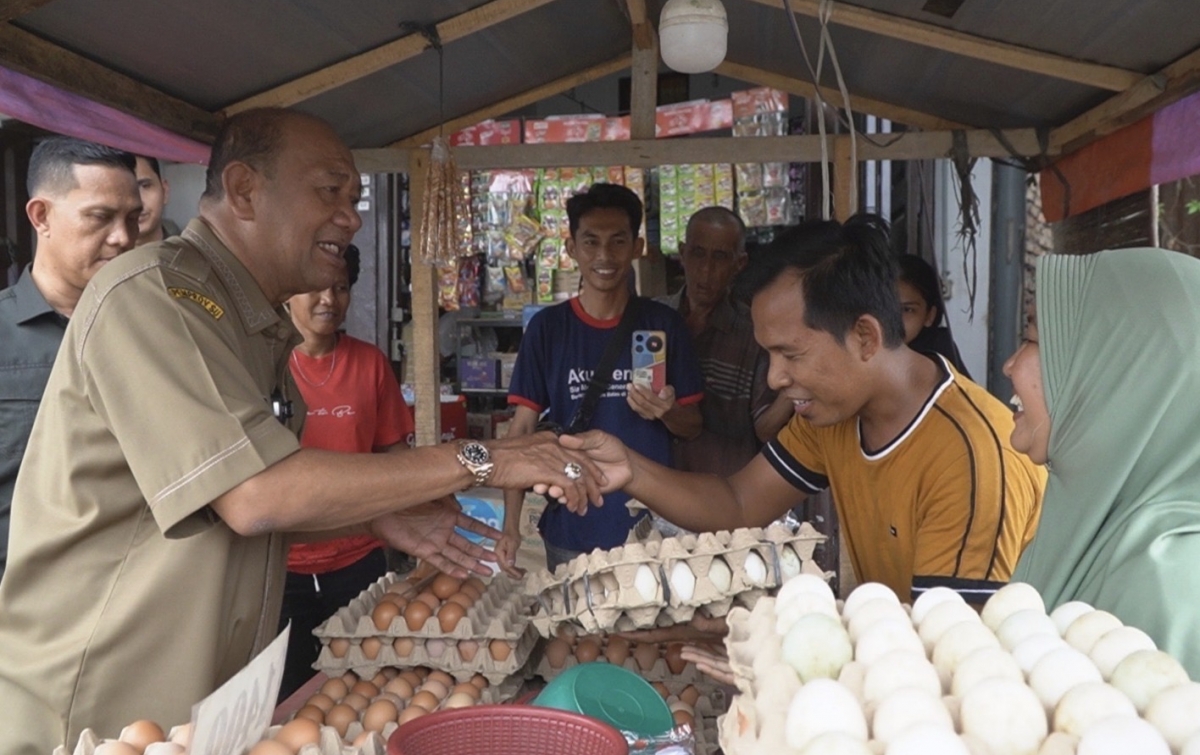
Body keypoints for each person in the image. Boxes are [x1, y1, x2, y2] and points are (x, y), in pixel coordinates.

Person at [0, 108, 604, 754]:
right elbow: (256, 493)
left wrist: (374, 519)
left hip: (186, 712)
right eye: (329, 192)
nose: (350, 216)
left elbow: (222, 503)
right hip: (99, 714)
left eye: (355, 198)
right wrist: (482, 459)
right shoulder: (155, 298)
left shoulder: (252, 324)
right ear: (243, 191)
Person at [564, 213, 1046, 604]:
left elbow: (946, 652)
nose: (774, 377)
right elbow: (739, 502)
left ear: (865, 337)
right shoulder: (832, 414)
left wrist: (785, 632)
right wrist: (631, 470)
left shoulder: (971, 457)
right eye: (769, 355)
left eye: (791, 354)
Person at [1003, 248, 1200, 678]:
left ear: (1123, 379)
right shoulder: (1093, 527)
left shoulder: (1171, 587)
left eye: (1035, 341)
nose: (1010, 364)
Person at [497, 183, 705, 573]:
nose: (605, 256)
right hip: (573, 530)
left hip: (651, 532)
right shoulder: (548, 329)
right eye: (591, 242)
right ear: (571, 248)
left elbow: (693, 426)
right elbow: (520, 431)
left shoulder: (663, 324)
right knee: (575, 635)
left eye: (618, 241)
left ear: (638, 247)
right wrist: (510, 525)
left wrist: (666, 411)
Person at [277, 243, 415, 699]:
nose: (328, 300)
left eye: (340, 288)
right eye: (315, 287)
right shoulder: (260, 367)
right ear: (289, 292)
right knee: (288, 696)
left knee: (364, 690)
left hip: (359, 563)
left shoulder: (370, 363)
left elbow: (394, 456)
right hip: (282, 567)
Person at [0, 137, 141, 583]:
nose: (122, 238)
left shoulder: (154, 334)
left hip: (131, 603)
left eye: (132, 218)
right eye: (100, 217)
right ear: (41, 216)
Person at [658, 207, 792, 477]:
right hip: (655, 494)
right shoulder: (652, 320)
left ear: (739, 264)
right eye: (698, 253)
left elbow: (765, 427)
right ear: (682, 254)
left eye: (720, 257)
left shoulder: (754, 334)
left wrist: (800, 374)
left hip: (725, 500)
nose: (706, 269)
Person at [897, 253, 971, 377]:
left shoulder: (938, 354)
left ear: (930, 316)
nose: (893, 318)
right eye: (885, 307)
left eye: (907, 310)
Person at [133, 155, 175, 246]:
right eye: (123, 189)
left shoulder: (187, 257)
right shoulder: (97, 258)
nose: (138, 203)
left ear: (164, 191)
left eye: (145, 186)